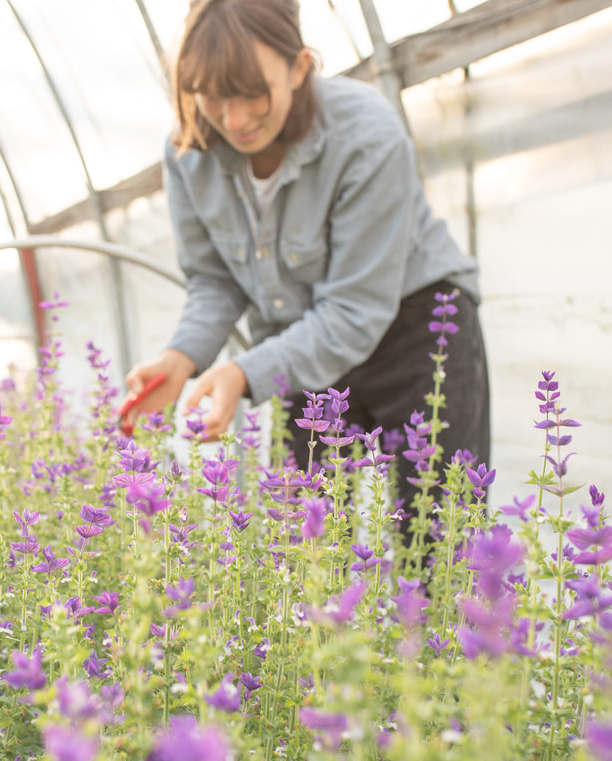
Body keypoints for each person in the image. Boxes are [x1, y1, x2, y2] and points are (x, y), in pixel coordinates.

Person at [121, 0, 490, 525]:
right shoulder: (188, 152)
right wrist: (181, 358)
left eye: (252, 93)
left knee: (441, 539)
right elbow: (216, 279)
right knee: (301, 545)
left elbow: (355, 309)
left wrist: (244, 375)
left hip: (418, 330)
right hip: (300, 343)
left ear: (299, 67)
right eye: (213, 97)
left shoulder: (366, 133)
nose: (234, 119)